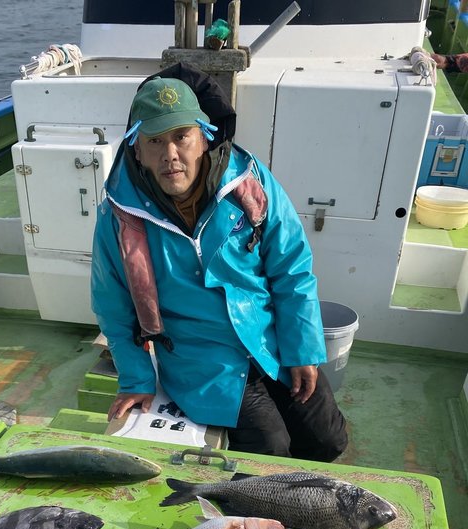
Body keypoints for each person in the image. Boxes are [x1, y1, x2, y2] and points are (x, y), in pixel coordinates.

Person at [90, 65, 348, 461]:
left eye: (181, 136)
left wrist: (302, 348)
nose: (170, 155)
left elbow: (291, 267)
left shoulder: (249, 181)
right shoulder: (117, 217)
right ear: (136, 150)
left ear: (204, 137)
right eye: (155, 141)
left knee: (328, 438)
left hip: (270, 340)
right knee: (270, 448)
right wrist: (137, 378)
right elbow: (113, 307)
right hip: (201, 360)